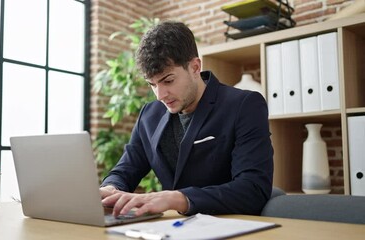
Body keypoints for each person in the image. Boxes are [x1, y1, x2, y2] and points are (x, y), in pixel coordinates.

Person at [100, 21, 273, 217]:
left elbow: (253, 190)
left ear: (195, 67)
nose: (160, 95)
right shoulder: (149, 115)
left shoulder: (244, 105)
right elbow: (125, 170)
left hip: (232, 224)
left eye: (168, 81)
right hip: (174, 229)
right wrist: (111, 188)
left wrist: (177, 199)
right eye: (152, 84)